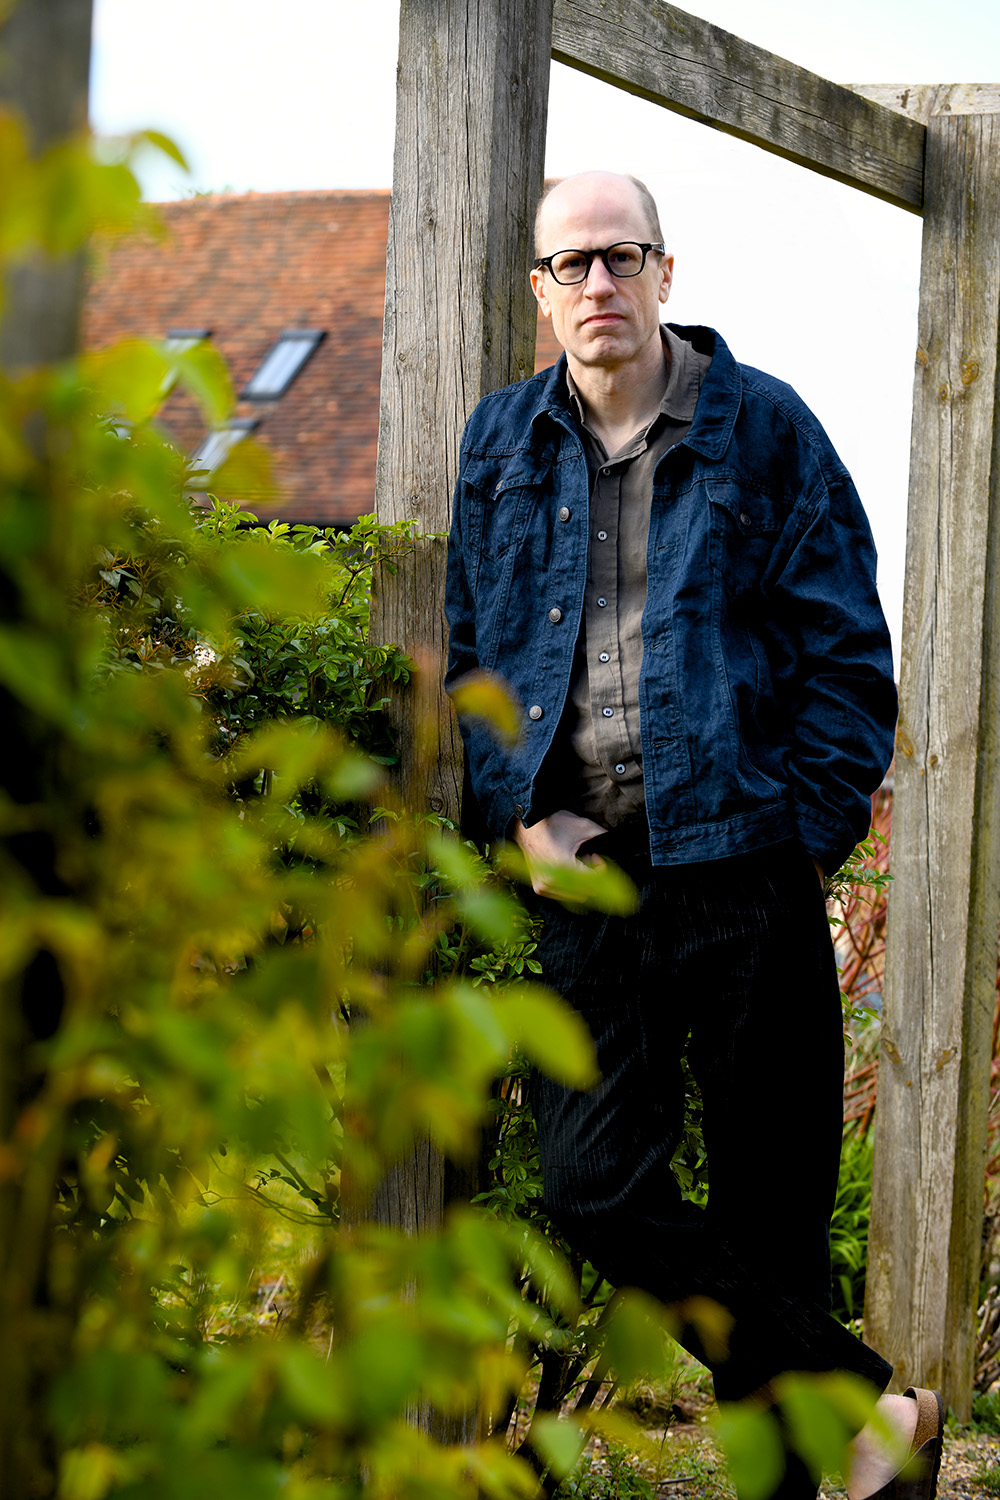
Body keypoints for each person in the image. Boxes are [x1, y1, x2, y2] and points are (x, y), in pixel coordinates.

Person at [445, 171, 942, 1500]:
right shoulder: (500, 443)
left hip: (745, 875)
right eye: (571, 265)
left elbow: (851, 663)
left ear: (667, 272)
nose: (598, 283)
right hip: (584, 882)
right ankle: (871, 1408)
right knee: (594, 1188)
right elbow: (471, 659)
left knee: (772, 1223)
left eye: (622, 256)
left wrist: (799, 844)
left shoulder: (768, 431)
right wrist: (517, 815)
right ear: (541, 293)